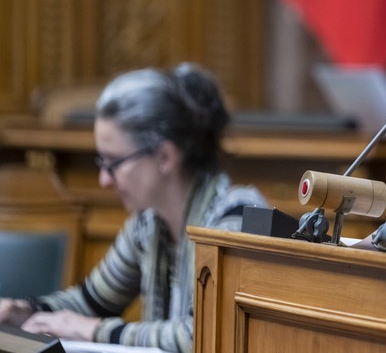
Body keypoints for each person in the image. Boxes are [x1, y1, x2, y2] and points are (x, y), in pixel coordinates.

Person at [0, 63, 268, 353]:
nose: (104, 180)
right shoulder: (149, 222)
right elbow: (92, 302)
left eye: (114, 162)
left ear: (165, 156)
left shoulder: (236, 219)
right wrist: (23, 310)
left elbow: (202, 333)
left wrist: (92, 330)